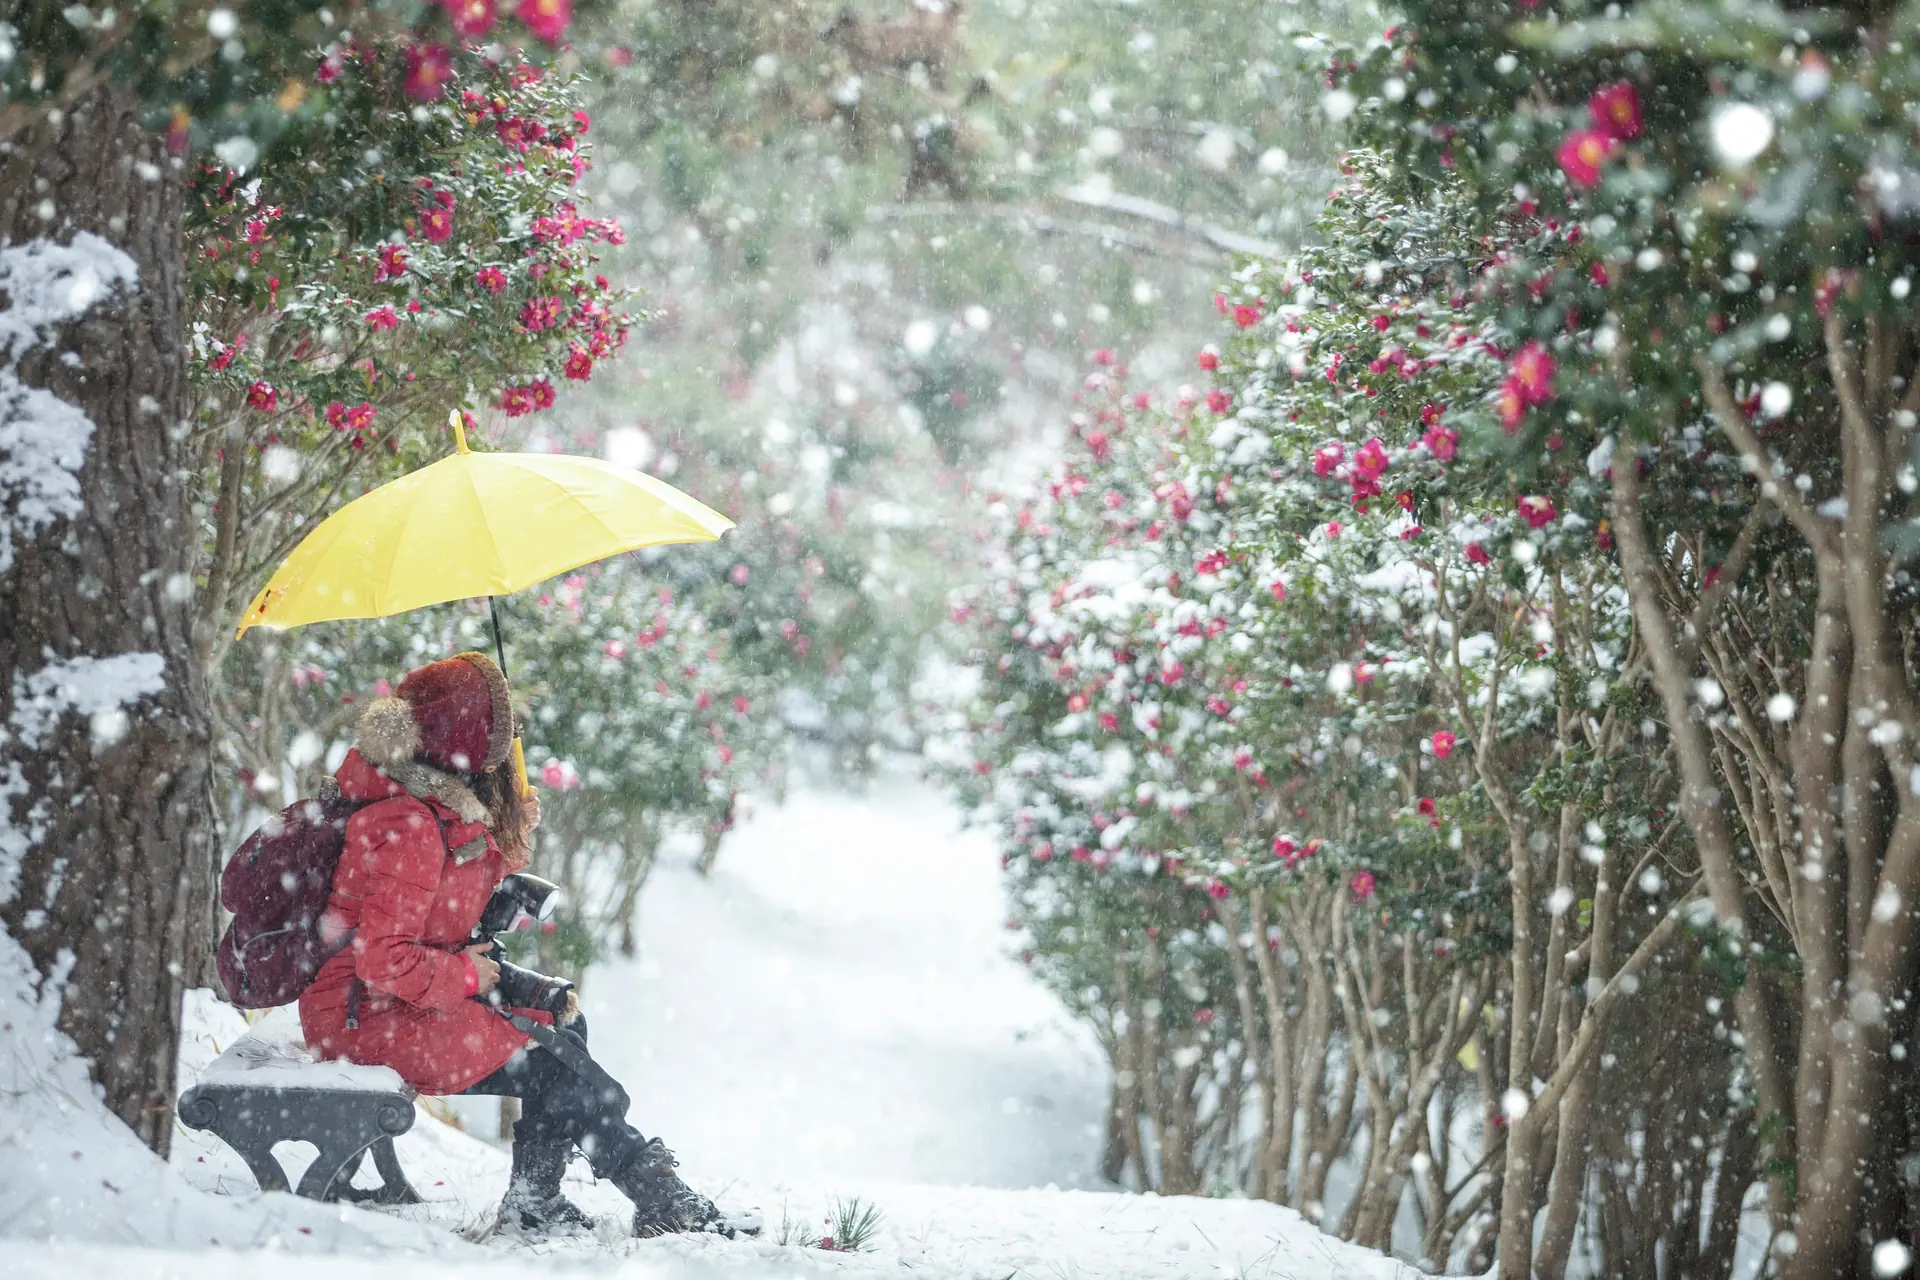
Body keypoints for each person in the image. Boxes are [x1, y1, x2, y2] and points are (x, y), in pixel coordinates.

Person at [297, 650, 734, 1239]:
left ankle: (542, 1201)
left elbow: (448, 895)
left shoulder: (428, 805)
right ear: (466, 739)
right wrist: (472, 976)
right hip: (362, 1017)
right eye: (500, 732)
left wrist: (511, 833)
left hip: (385, 1002)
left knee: (561, 1023)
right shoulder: (408, 823)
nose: (509, 743)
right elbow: (384, 958)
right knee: (552, 1064)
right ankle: (646, 1190)